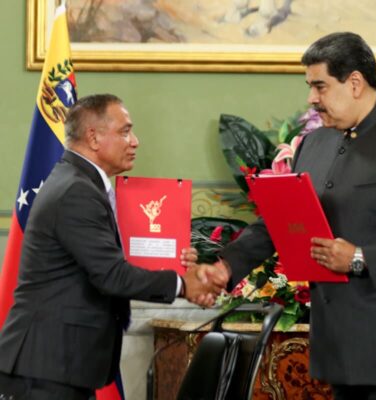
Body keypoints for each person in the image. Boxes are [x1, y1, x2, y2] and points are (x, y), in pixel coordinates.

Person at [209, 32, 376, 399]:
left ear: (355, 83)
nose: (311, 99)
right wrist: (225, 268)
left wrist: (359, 258)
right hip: (339, 350)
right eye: (310, 87)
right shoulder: (315, 142)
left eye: (320, 86)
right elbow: (282, 217)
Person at [0, 94, 229, 400]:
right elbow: (111, 275)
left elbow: (101, 262)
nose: (135, 141)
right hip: (45, 367)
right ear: (93, 137)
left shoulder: (80, 183)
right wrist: (182, 284)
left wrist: (176, 265)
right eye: (124, 132)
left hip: (58, 365)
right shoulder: (76, 191)